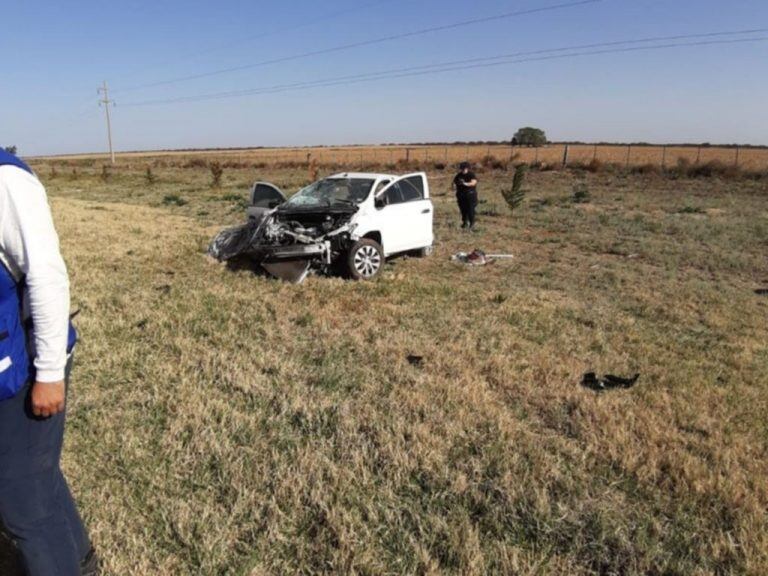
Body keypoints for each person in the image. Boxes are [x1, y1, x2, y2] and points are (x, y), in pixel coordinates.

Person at [0, 149, 98, 575]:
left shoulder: (6, 181)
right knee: (36, 477)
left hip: (25, 367)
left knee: (23, 509)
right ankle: (81, 561)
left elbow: (47, 276)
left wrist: (50, 375)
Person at [453, 161, 478, 230]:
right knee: (463, 210)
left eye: (465, 168)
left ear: (467, 168)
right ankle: (465, 222)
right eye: (462, 168)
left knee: (470, 210)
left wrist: (465, 184)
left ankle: (472, 224)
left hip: (470, 195)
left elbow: (473, 183)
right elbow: (454, 183)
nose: (463, 169)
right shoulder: (458, 175)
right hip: (461, 195)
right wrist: (454, 186)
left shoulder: (471, 175)